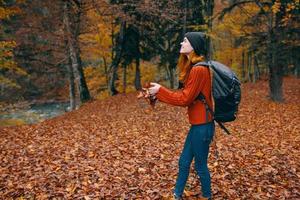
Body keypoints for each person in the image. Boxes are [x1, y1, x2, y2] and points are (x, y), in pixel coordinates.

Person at [148, 32, 214, 200]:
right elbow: (186, 95)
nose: (181, 43)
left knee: (200, 166)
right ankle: (177, 195)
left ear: (193, 45)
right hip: (197, 125)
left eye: (185, 41)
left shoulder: (199, 69)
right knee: (184, 162)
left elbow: (185, 99)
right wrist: (158, 94)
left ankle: (207, 196)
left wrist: (160, 91)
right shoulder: (195, 68)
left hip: (203, 126)